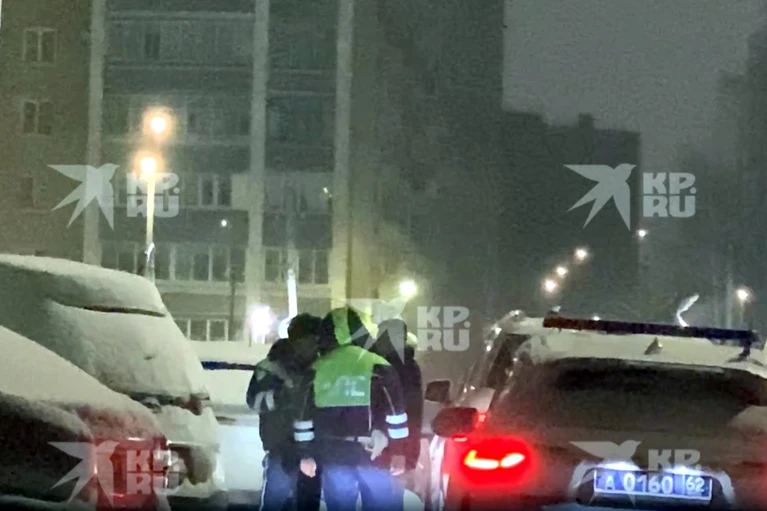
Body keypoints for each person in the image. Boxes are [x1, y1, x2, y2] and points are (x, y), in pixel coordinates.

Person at [294, 307, 409, 511]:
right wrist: (399, 451)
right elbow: (396, 413)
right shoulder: (378, 365)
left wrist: (305, 454)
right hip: (373, 455)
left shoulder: (315, 369)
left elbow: (303, 417)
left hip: (334, 456)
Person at [246, 313, 322, 511]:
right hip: (281, 449)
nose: (314, 346)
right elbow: (254, 401)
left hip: (313, 450)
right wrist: (283, 395)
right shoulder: (271, 367)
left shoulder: (320, 366)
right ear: (297, 339)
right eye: (311, 340)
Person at [368, 319, 423, 476]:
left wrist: (400, 452)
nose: (377, 341)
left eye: (382, 337)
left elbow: (406, 411)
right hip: (392, 451)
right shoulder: (405, 366)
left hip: (391, 454)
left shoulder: (397, 368)